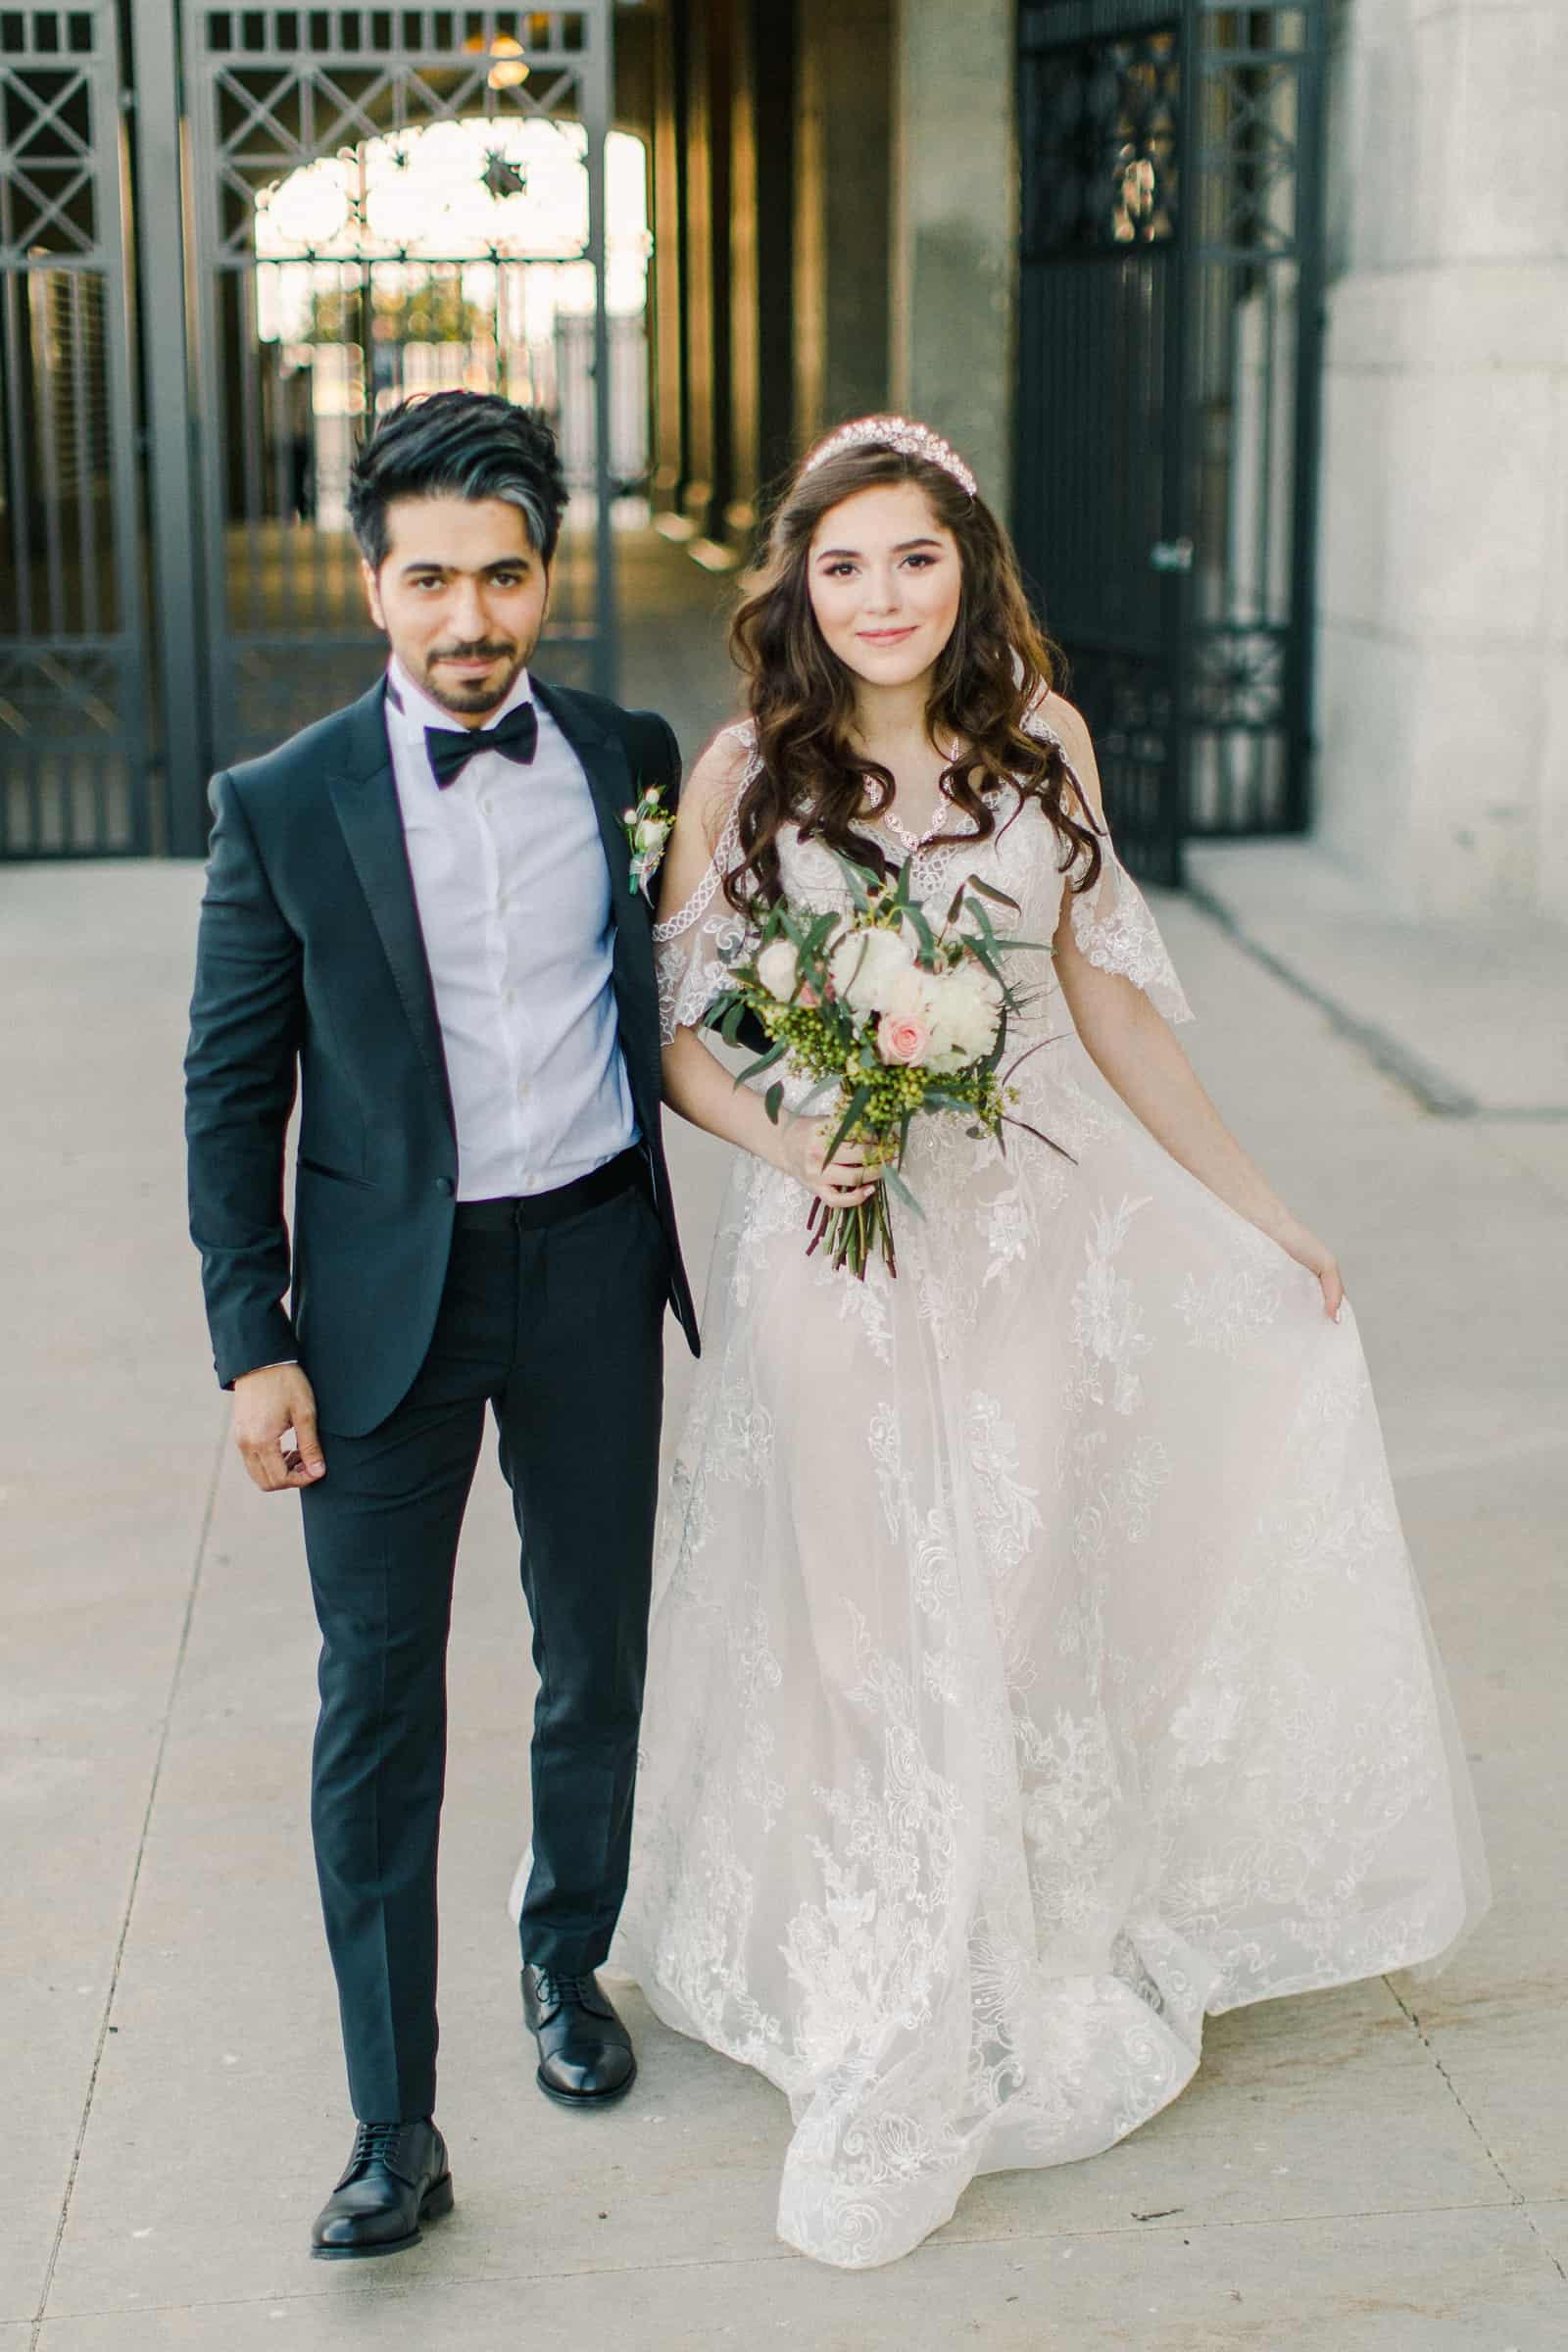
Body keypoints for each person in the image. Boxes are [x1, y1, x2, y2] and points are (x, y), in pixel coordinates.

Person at [611, 416, 1491, 2270]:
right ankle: (883, 1962)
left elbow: (1113, 1008)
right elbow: (680, 1034)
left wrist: (1266, 1210)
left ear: (968, 567)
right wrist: (797, 1135)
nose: (877, 598)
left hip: (1025, 1237)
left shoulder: (1043, 754)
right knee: (861, 1619)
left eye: (912, 559)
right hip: (833, 1252)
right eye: (841, 565)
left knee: (1009, 1590)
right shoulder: (743, 770)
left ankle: (1012, 1948)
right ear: (799, 587)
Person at [184, 391, 693, 2259]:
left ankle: (568, 1964)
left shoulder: (630, 757)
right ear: (371, 582)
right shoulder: (282, 802)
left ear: (547, 572)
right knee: (376, 1707)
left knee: (594, 1654)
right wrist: (255, 1342)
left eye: (503, 575)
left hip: (587, 1269)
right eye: (429, 580)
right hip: (381, 1304)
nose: (470, 618)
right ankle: (391, 2124)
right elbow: (229, 1095)